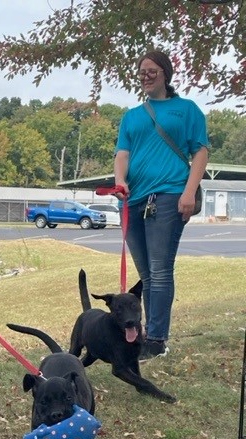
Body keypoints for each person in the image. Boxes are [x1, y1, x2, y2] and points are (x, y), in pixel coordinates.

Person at [114, 49, 209, 360]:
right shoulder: (132, 116)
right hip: (133, 200)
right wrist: (120, 181)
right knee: (146, 273)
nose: (146, 74)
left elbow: (200, 152)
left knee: (160, 270)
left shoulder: (187, 110)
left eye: (152, 69)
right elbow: (123, 154)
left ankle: (156, 339)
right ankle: (144, 334)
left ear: (166, 73)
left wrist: (189, 192)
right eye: (142, 70)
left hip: (168, 196)